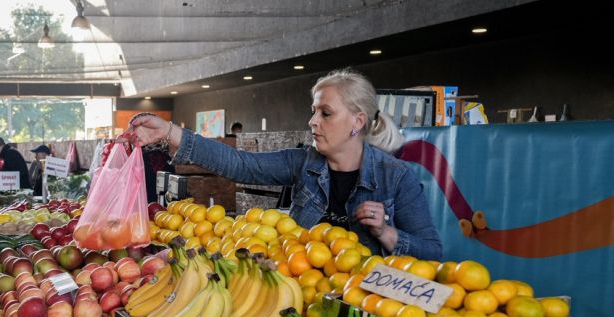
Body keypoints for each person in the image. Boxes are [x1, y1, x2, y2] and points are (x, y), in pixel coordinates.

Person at [128, 68, 442, 260]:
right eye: (314, 111)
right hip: (302, 292)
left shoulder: (397, 178)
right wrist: (171, 132)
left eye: (325, 113)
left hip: (363, 303)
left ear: (357, 121)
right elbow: (241, 165)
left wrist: (387, 233)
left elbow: (432, 252)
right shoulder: (304, 163)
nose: (313, 121)